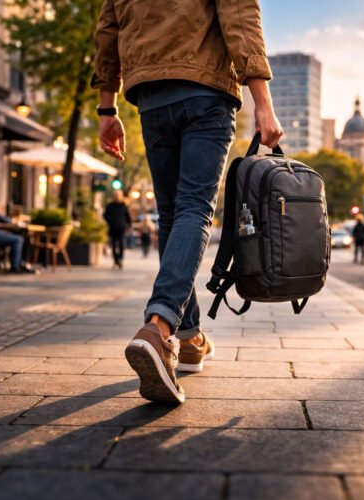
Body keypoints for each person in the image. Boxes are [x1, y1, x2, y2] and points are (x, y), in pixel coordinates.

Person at [93, 0, 283, 403]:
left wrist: (106, 108)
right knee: (195, 208)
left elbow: (107, 31)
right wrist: (263, 104)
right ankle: (159, 327)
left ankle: (190, 337)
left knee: (172, 216)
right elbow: (240, 17)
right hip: (205, 94)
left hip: (151, 98)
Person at [103, 189, 131, 270]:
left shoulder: (124, 206)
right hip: (112, 228)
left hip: (121, 228)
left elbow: (128, 217)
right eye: (116, 195)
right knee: (114, 245)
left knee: (122, 244)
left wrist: (128, 225)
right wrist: (110, 220)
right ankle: (116, 261)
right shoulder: (110, 205)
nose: (117, 197)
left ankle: (120, 259)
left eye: (118, 195)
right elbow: (105, 215)